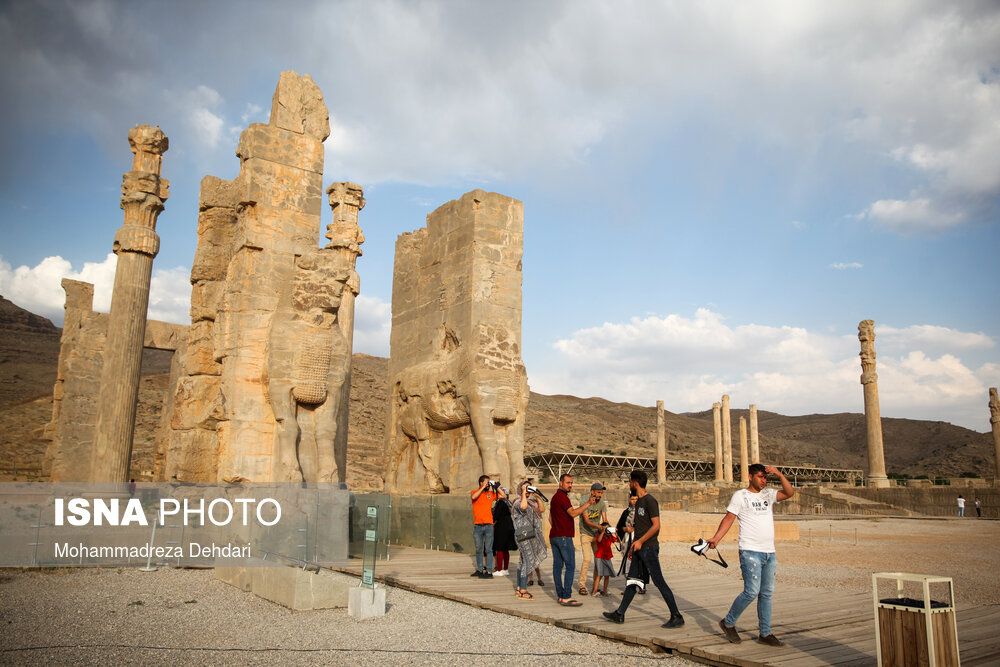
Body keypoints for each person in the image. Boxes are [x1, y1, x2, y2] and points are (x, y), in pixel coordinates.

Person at [707, 463, 795, 647]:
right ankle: (728, 622)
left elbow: (789, 493)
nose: (763, 481)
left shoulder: (768, 494)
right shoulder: (740, 496)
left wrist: (779, 474)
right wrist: (716, 538)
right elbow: (729, 518)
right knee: (751, 591)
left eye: (765, 478)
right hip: (750, 551)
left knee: (766, 593)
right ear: (750, 477)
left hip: (769, 552)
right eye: (760, 477)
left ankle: (765, 633)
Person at [603, 470, 684, 628]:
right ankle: (620, 614)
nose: (629, 484)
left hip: (649, 548)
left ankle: (676, 615)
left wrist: (640, 541)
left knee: (659, 581)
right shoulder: (638, 502)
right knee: (632, 581)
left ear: (636, 482)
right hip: (639, 548)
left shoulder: (650, 501)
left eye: (630, 481)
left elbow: (656, 526)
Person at [550, 473, 597, 606]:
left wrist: (558, 527)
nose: (570, 485)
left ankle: (560, 595)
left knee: (557, 567)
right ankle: (567, 596)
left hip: (554, 536)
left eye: (571, 483)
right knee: (570, 566)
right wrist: (588, 503)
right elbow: (573, 513)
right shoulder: (562, 497)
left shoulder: (554, 498)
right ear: (561, 483)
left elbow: (550, 519)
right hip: (564, 536)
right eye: (568, 483)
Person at [512, 480, 547, 599]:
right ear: (520, 489)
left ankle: (518, 588)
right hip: (523, 533)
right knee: (528, 560)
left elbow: (541, 510)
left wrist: (537, 496)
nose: (527, 490)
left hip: (531, 534)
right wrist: (523, 493)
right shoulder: (517, 501)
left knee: (523, 561)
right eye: (525, 488)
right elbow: (523, 507)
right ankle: (523, 589)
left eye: (529, 488)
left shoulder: (531, 502)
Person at [578, 482, 608, 596]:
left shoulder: (602, 504)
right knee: (587, 559)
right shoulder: (585, 500)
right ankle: (582, 585)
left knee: (598, 561)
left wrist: (606, 527)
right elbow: (587, 521)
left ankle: (595, 586)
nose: (600, 495)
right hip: (585, 533)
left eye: (601, 493)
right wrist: (599, 526)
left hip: (596, 535)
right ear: (593, 492)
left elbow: (605, 519)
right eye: (599, 492)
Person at [470, 475, 497, 578]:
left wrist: (496, 486)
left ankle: (489, 571)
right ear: (481, 483)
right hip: (477, 526)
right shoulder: (474, 492)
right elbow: (473, 497)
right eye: (486, 482)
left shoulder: (491, 494)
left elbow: (503, 495)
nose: (488, 484)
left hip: (489, 525)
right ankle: (480, 569)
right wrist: (482, 488)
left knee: (489, 549)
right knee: (478, 548)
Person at [492, 486, 516, 576]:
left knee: (500, 549)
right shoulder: (508, 502)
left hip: (501, 527)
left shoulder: (501, 503)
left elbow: (496, 516)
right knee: (506, 549)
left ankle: (500, 569)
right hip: (509, 526)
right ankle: (505, 569)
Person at [591, 522, 617, 597]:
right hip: (600, 557)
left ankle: (604, 591)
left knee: (607, 575)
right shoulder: (599, 536)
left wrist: (615, 532)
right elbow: (599, 541)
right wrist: (603, 532)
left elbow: (617, 540)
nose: (607, 530)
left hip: (607, 557)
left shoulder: (609, 537)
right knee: (599, 575)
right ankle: (594, 592)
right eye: (605, 528)